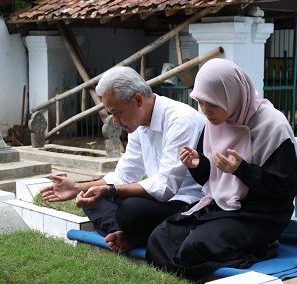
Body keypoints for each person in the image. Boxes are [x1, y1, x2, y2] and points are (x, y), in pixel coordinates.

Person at [146, 58, 297, 282]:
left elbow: (285, 189)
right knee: (159, 240)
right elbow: (211, 181)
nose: (206, 112)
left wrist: (242, 170)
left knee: (193, 250)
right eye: (201, 103)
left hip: (261, 214)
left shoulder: (273, 126)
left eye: (213, 104)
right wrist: (199, 164)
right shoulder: (216, 122)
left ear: (232, 95)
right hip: (221, 206)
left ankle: (261, 248)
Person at [40, 66, 207, 254]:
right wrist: (79, 188)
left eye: (117, 112)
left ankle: (133, 234)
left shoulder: (180, 120)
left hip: (187, 202)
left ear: (137, 100)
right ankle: (128, 235)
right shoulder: (138, 124)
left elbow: (165, 186)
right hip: (158, 201)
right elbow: (124, 176)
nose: (115, 121)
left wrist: (109, 190)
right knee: (91, 201)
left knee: (131, 211)